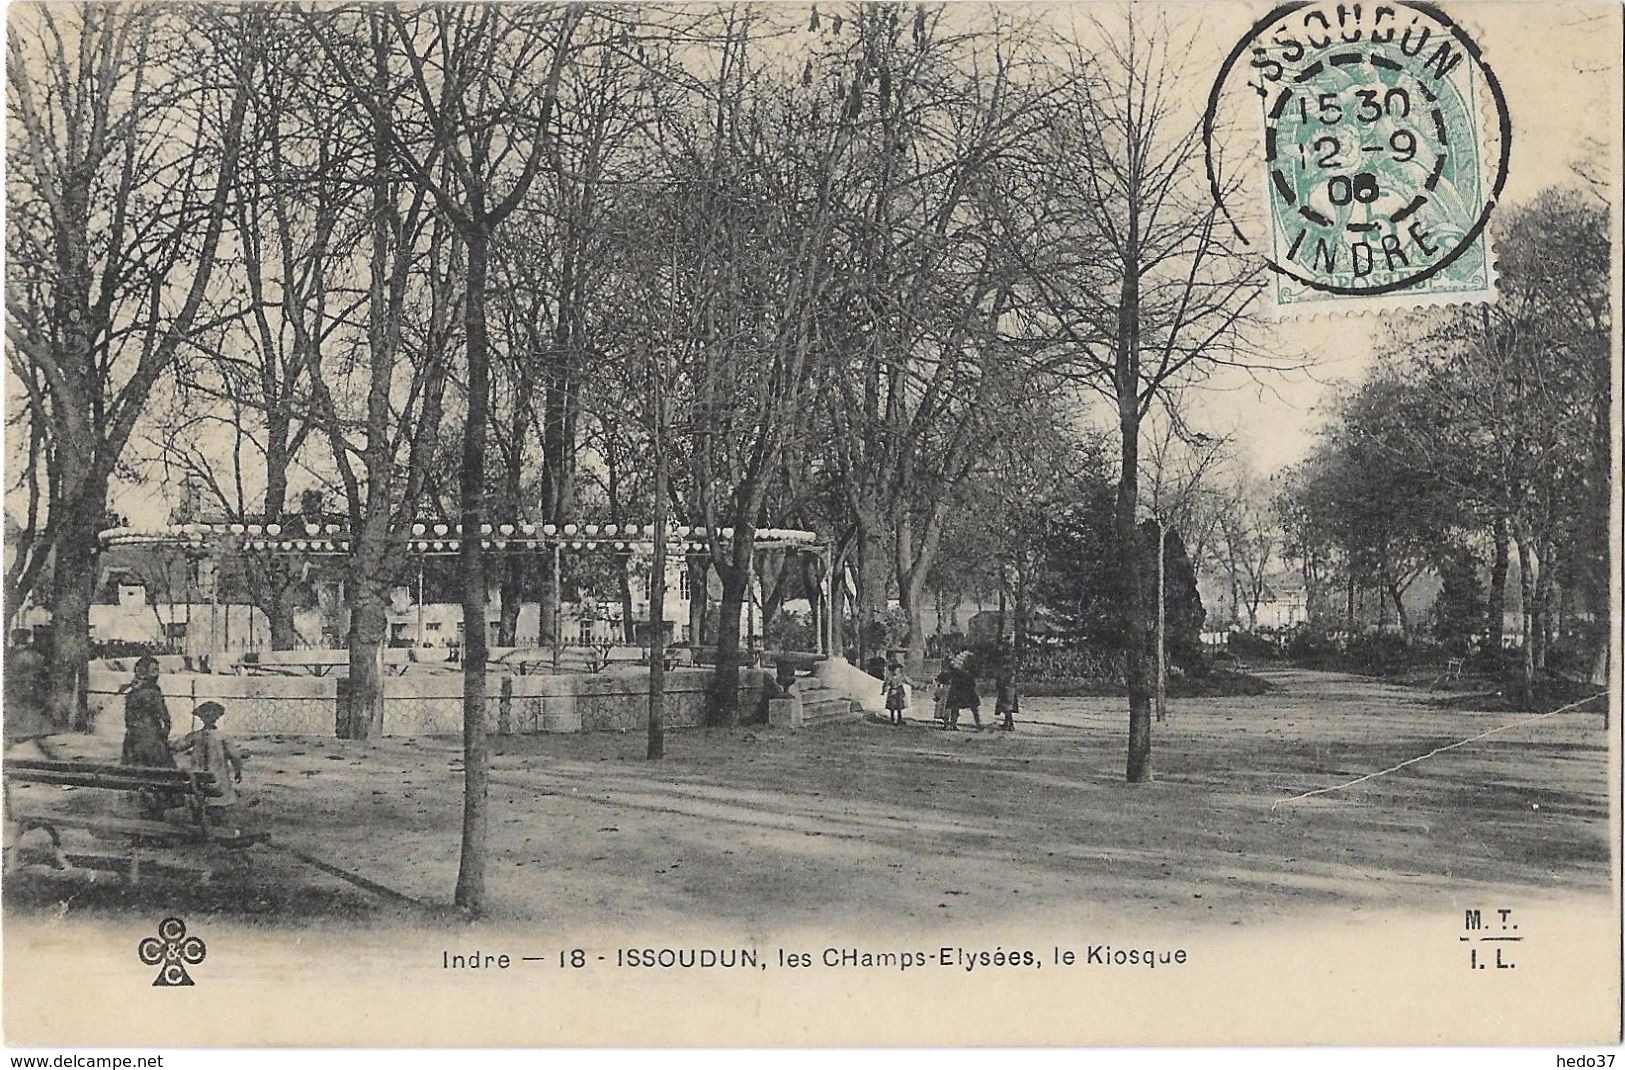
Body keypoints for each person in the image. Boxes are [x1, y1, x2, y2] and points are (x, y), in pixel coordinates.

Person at [171, 701, 245, 826]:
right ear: (217, 718)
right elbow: (235, 756)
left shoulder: (195, 736)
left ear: (201, 718)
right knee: (218, 796)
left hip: (198, 780)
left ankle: (199, 821)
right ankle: (217, 822)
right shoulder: (223, 737)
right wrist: (238, 772)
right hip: (217, 780)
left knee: (199, 792)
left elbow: (177, 747)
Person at [881, 660, 910, 726]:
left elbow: (909, 681)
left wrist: (919, 686)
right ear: (892, 670)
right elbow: (886, 684)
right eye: (895, 670)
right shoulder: (890, 677)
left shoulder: (902, 677)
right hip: (892, 692)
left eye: (898, 670)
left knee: (899, 706)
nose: (896, 672)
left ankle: (900, 719)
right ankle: (892, 719)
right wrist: (884, 690)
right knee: (892, 706)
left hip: (900, 692)